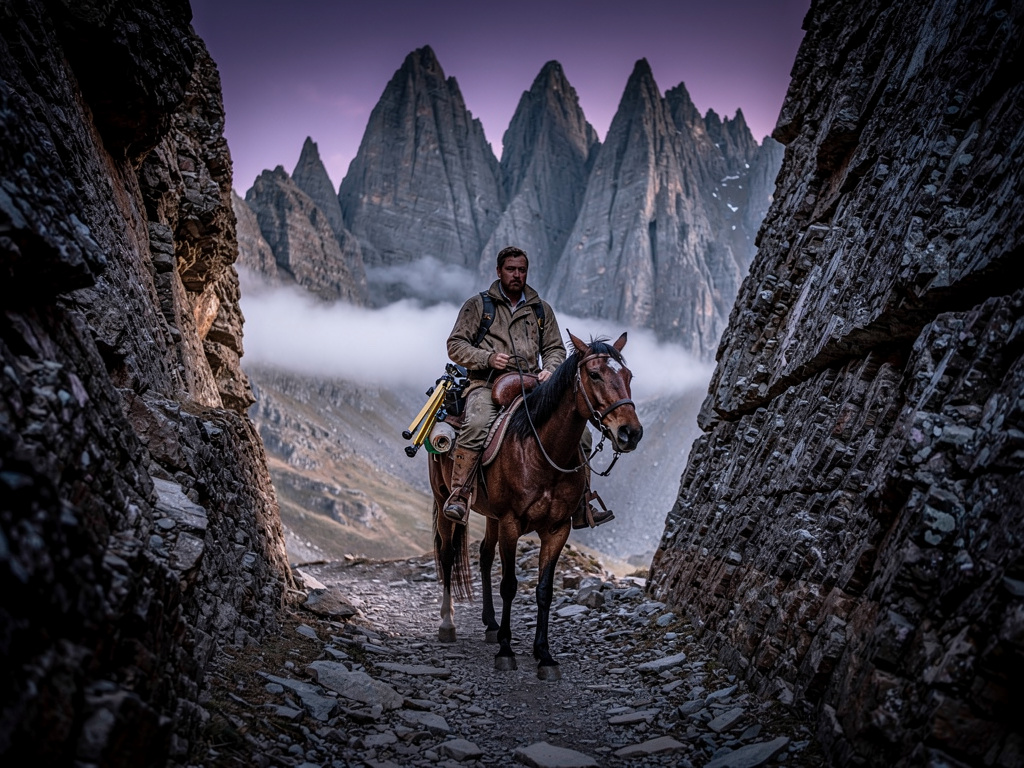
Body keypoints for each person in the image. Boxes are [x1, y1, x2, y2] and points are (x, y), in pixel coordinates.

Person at [443, 245, 613, 529]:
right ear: (499, 271)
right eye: (511, 269)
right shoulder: (478, 306)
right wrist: (487, 358)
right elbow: (455, 345)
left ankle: (582, 505)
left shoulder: (541, 309)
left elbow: (555, 348)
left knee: (580, 435)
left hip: (533, 387)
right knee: (478, 422)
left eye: (522, 270)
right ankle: (460, 494)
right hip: (485, 384)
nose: (517, 275)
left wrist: (551, 369)